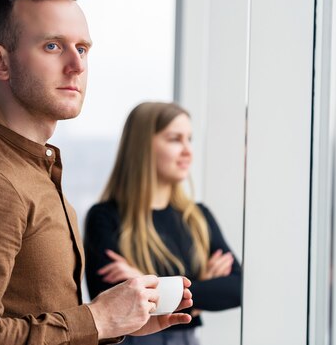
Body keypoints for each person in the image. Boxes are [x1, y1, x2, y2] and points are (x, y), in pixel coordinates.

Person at [0, 0, 193, 345]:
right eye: (53, 46)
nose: (76, 65)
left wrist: (113, 324)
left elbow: (34, 313)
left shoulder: (33, 169)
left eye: (83, 49)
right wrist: (97, 319)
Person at [84, 102, 242, 345]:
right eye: (175, 139)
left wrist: (152, 288)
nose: (188, 150)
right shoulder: (105, 217)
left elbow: (235, 288)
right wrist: (201, 290)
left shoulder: (198, 217)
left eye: (189, 139)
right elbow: (111, 305)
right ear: (143, 146)